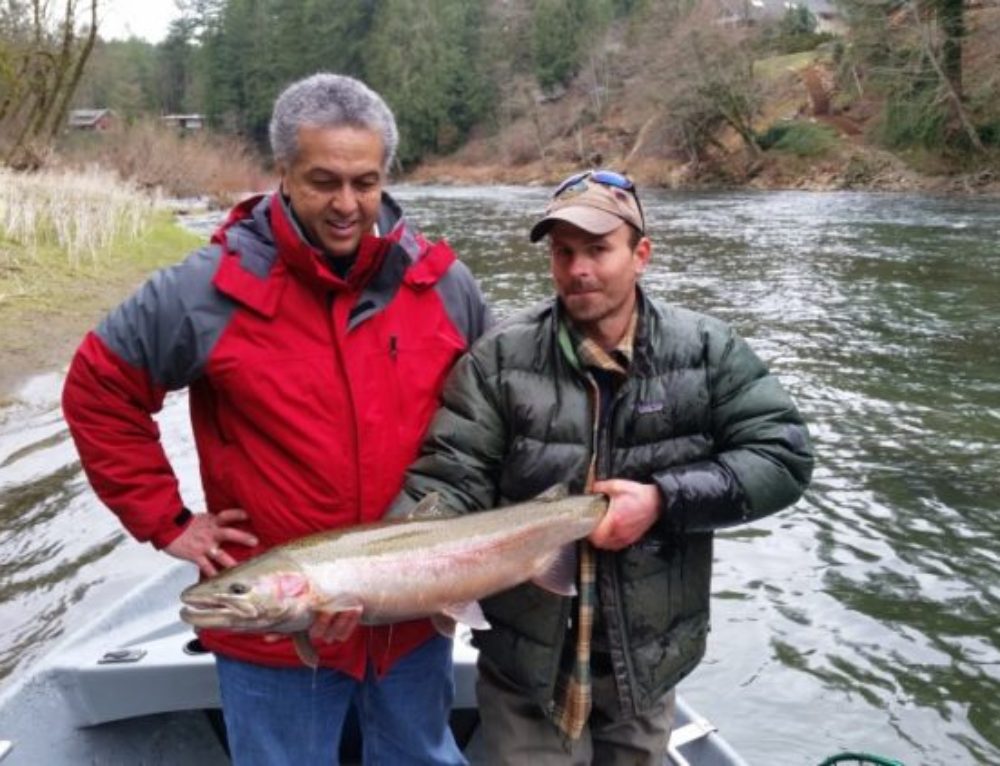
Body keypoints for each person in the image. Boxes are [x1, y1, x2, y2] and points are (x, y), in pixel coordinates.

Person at [62, 73, 490, 765]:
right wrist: (167, 520)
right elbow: (97, 389)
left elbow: (491, 417)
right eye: (324, 181)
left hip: (408, 622)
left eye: (366, 181)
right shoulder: (204, 290)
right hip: (270, 625)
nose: (347, 205)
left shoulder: (444, 285)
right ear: (282, 173)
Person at [391, 170, 814, 764]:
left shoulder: (707, 350)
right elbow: (449, 478)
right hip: (526, 668)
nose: (578, 269)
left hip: (646, 664)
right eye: (563, 253)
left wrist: (664, 500)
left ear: (641, 254)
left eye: (597, 249)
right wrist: (386, 565)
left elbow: (784, 455)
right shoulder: (498, 359)